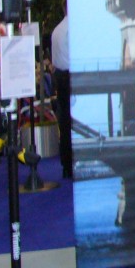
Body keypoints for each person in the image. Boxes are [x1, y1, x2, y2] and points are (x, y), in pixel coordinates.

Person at [51, 10, 73, 179]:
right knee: (70, 122)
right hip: (70, 77)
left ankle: (66, 164)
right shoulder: (70, 30)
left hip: (60, 76)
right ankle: (70, 163)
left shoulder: (58, 29)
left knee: (64, 121)